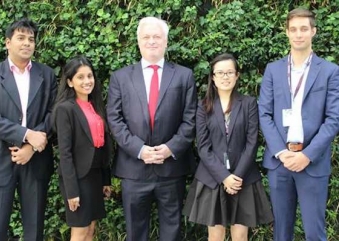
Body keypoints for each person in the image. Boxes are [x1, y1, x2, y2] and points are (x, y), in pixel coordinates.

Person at [106, 16, 197, 241]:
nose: (152, 41)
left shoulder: (184, 76)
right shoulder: (120, 77)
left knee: (172, 232)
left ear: (166, 42)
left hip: (171, 169)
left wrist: (170, 148)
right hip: (134, 169)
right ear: (138, 42)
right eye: (146, 37)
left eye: (157, 36)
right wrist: (139, 149)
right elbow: (114, 120)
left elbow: (191, 119)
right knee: (135, 233)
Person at [259, 8, 339, 241]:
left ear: (313, 31)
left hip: (312, 164)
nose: (298, 34)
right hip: (280, 163)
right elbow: (264, 113)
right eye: (293, 29)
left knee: (315, 233)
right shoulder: (273, 70)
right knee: (281, 233)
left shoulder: (330, 72)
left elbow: (334, 119)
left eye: (304, 29)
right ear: (286, 32)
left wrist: (307, 155)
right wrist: (282, 153)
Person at [0, 18, 57, 240]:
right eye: (20, 38)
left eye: (31, 39)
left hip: (36, 160)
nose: (27, 43)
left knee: (34, 230)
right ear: (7, 42)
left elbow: (53, 113)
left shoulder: (47, 74)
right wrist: (26, 134)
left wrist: (31, 145)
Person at [183, 53, 273, 241]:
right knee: (215, 234)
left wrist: (236, 177)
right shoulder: (203, 106)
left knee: (240, 234)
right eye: (220, 73)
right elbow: (203, 147)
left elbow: (251, 142)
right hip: (212, 178)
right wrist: (224, 177)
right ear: (213, 77)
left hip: (244, 178)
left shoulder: (248, 103)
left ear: (237, 75)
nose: (225, 77)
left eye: (230, 72)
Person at [52, 56, 112, 241]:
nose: (87, 81)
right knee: (79, 231)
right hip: (77, 179)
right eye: (80, 77)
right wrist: (72, 191)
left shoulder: (95, 106)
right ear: (70, 82)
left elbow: (102, 145)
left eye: (90, 76)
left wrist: (105, 180)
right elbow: (65, 153)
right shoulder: (65, 109)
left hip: (94, 176)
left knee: (91, 229)